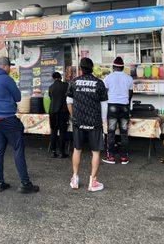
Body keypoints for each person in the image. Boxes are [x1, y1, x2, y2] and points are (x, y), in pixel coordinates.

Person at [0, 57, 39, 194]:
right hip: (8, 119)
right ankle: (25, 183)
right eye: (10, 66)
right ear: (5, 66)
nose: (10, 69)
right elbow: (18, 97)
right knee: (18, 148)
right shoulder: (6, 79)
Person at [67, 57, 108, 192]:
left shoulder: (73, 82)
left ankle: (75, 179)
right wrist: (103, 120)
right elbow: (104, 105)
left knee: (77, 149)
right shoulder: (99, 83)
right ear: (92, 68)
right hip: (94, 122)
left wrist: (73, 116)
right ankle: (93, 182)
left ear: (81, 69)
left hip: (78, 121)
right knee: (95, 152)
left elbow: (69, 102)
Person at [102, 57, 133, 165]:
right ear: (123, 67)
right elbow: (130, 94)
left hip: (112, 106)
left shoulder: (108, 78)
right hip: (124, 106)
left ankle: (111, 157)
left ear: (113, 67)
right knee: (124, 133)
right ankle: (124, 157)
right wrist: (126, 102)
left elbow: (104, 94)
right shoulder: (129, 78)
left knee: (111, 132)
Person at [48, 71, 69, 158]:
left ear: (53, 78)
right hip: (62, 111)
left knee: (53, 131)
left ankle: (53, 152)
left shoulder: (51, 87)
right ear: (60, 77)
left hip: (52, 111)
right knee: (62, 132)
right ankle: (61, 152)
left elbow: (50, 97)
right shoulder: (65, 85)